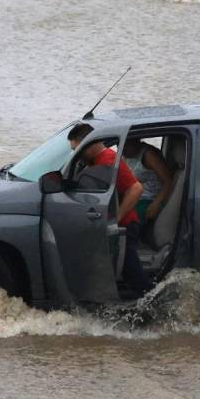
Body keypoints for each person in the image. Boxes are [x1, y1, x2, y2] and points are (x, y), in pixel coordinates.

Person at [67, 123, 149, 295]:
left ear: (90, 144)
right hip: (112, 224)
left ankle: (151, 302)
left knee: (132, 273)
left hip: (124, 226)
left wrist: (116, 219)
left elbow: (136, 188)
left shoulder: (109, 161)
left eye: (77, 149)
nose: (76, 154)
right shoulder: (93, 162)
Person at [121, 138, 174, 227]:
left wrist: (156, 203)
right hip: (136, 196)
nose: (122, 150)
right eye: (119, 146)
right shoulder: (126, 155)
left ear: (135, 142)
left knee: (127, 222)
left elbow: (168, 181)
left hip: (150, 199)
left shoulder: (149, 155)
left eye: (125, 146)